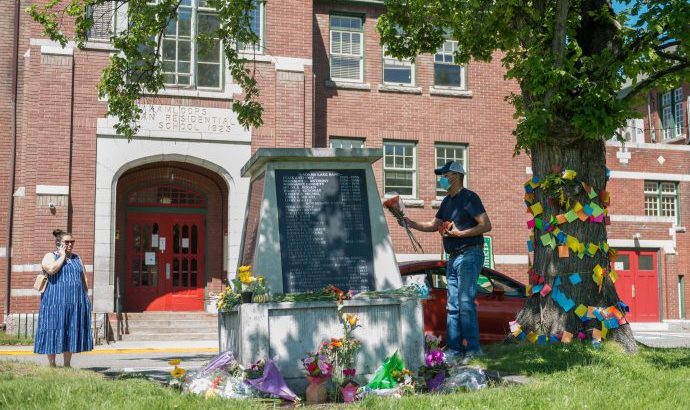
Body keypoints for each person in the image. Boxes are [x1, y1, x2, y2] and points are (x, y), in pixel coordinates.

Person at [404, 161, 491, 363]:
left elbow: (486, 225)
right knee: (452, 305)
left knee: (465, 302)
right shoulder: (446, 202)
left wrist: (461, 234)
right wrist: (411, 223)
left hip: (470, 254)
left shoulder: (470, 198)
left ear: (456, 175)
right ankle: (454, 350)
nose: (441, 178)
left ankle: (473, 350)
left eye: (445, 174)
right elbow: (433, 225)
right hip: (453, 257)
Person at [34, 229, 93, 367]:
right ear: (59, 243)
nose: (70, 244)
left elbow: (84, 277)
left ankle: (67, 365)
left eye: (72, 242)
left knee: (70, 330)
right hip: (54, 301)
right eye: (67, 242)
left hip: (74, 302)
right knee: (52, 328)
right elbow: (51, 270)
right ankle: (52, 365)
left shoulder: (76, 258)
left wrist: (85, 296)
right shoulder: (50, 256)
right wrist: (61, 256)